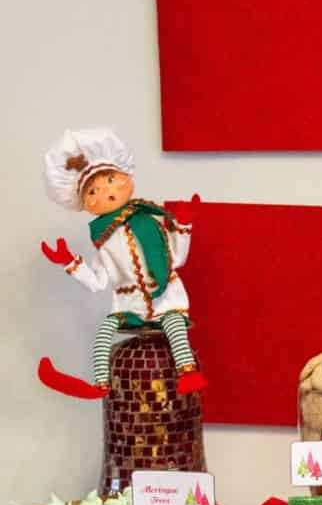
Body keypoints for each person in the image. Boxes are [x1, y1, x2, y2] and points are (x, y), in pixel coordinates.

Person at [38, 127, 205, 401]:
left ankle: (188, 375)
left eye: (111, 180)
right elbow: (99, 282)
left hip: (166, 299)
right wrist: (71, 264)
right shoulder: (103, 240)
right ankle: (100, 384)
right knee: (104, 334)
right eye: (93, 191)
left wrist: (183, 226)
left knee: (175, 325)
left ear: (127, 178)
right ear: (86, 204)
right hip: (128, 307)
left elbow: (176, 259)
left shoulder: (149, 221)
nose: (106, 191)